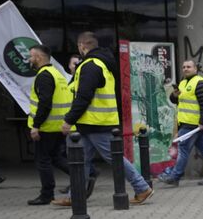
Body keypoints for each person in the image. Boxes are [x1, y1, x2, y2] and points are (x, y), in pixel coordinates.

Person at [53, 31, 153, 205]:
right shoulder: (100, 63)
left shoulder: (90, 66)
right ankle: (74, 196)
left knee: (114, 158)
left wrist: (69, 119)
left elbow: (84, 96)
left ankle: (142, 187)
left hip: (96, 122)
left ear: (82, 46)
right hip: (93, 122)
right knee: (81, 160)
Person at [158, 60, 203, 186]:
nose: (185, 69)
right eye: (184, 67)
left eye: (189, 67)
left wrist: (202, 122)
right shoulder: (183, 83)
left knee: (183, 150)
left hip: (192, 124)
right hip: (188, 123)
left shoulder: (199, 82)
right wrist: (174, 96)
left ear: (195, 69)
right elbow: (176, 101)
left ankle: (175, 176)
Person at [26, 45, 72, 205]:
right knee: (56, 158)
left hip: (46, 127)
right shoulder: (56, 74)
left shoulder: (44, 76)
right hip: (58, 125)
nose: (29, 60)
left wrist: (36, 125)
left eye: (31, 56)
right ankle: (84, 175)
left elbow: (45, 103)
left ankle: (47, 195)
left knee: (43, 161)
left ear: (39, 57)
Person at [60, 53, 99, 196]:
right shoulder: (69, 81)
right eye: (74, 64)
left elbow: (81, 101)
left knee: (78, 161)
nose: (76, 66)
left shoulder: (83, 80)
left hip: (77, 127)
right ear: (69, 66)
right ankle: (76, 192)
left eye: (78, 63)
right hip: (73, 126)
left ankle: (76, 192)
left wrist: (69, 121)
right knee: (79, 161)